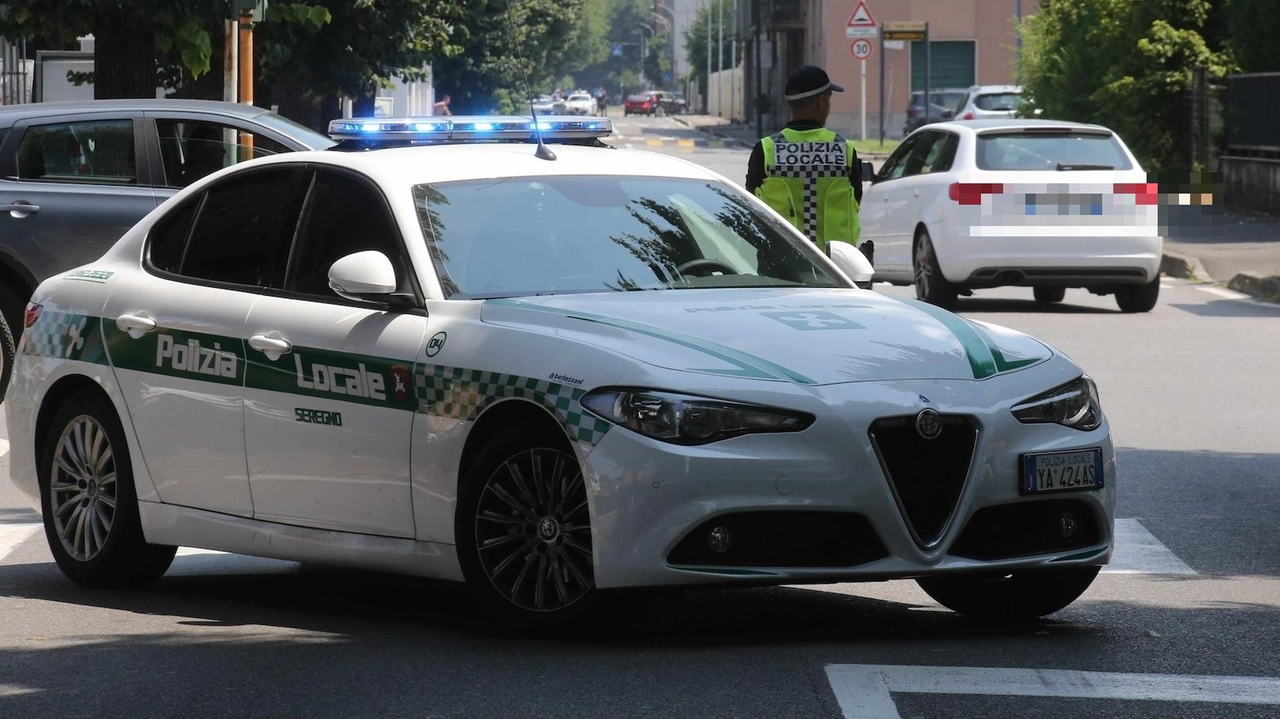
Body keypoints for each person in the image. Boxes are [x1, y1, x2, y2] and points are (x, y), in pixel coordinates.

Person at [746, 65, 869, 264]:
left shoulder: (766, 150)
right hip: (837, 268)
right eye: (829, 97)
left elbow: (751, 205)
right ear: (821, 101)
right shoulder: (844, 150)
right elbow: (855, 200)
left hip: (780, 267)